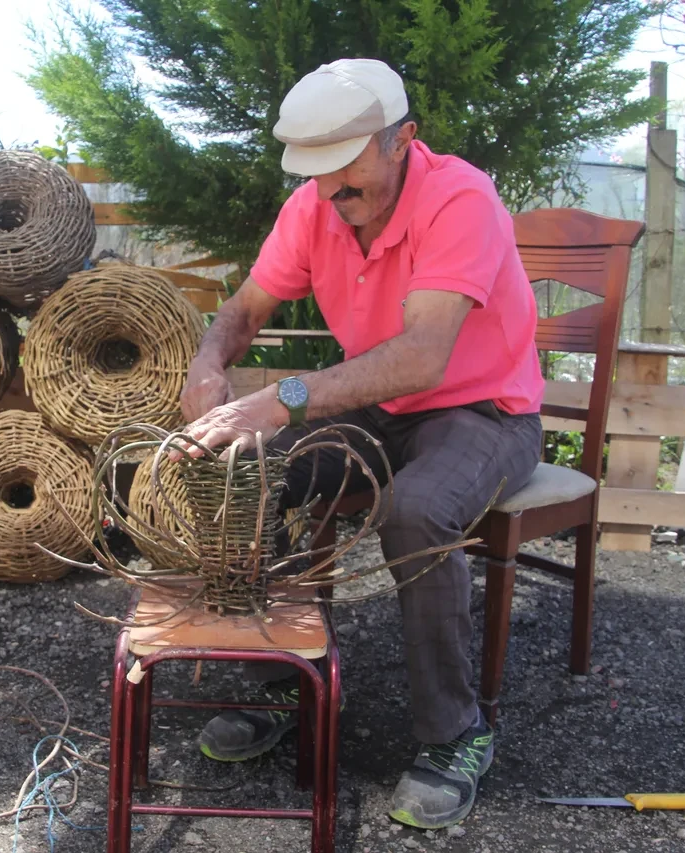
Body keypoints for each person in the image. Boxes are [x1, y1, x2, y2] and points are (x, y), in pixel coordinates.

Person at [173, 58, 545, 829]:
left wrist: (280, 398)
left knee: (415, 509)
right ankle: (286, 677)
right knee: (255, 471)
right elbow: (244, 309)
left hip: (486, 411)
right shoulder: (315, 205)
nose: (334, 202)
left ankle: (454, 735)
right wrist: (210, 362)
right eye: (320, 184)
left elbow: (422, 357)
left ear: (403, 140)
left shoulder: (461, 198)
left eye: (349, 182)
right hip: (381, 405)